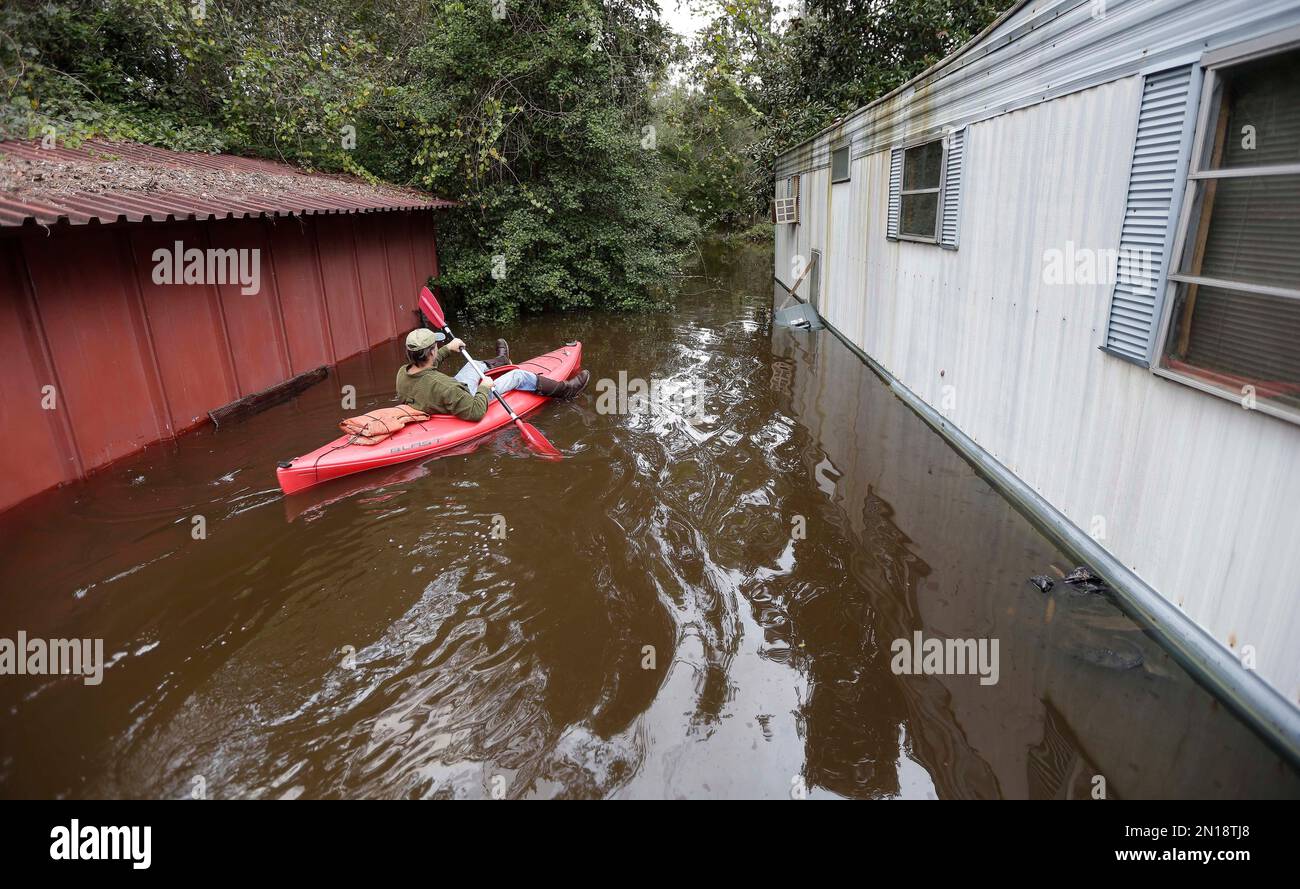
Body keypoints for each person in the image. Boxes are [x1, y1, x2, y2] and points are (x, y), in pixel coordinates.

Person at [396, 328, 589, 421]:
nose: (437, 349)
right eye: (436, 347)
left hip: (436, 396)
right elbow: (475, 412)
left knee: (473, 365)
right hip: (466, 398)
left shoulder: (403, 373)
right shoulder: (445, 385)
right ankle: (567, 390)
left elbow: (429, 370)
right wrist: (483, 388)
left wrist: (447, 348)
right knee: (518, 376)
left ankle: (502, 360)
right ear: (431, 352)